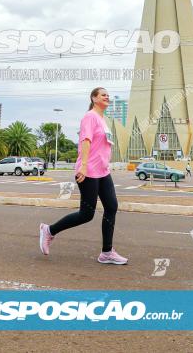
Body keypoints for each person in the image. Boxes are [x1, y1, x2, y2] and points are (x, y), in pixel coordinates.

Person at [39, 87, 127, 264]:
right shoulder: (90, 117)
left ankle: (107, 252)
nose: (107, 97)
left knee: (111, 207)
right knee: (87, 214)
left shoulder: (103, 120)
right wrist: (84, 166)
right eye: (103, 95)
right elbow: (86, 140)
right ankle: (49, 231)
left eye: (108, 95)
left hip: (103, 171)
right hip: (89, 170)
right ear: (94, 98)